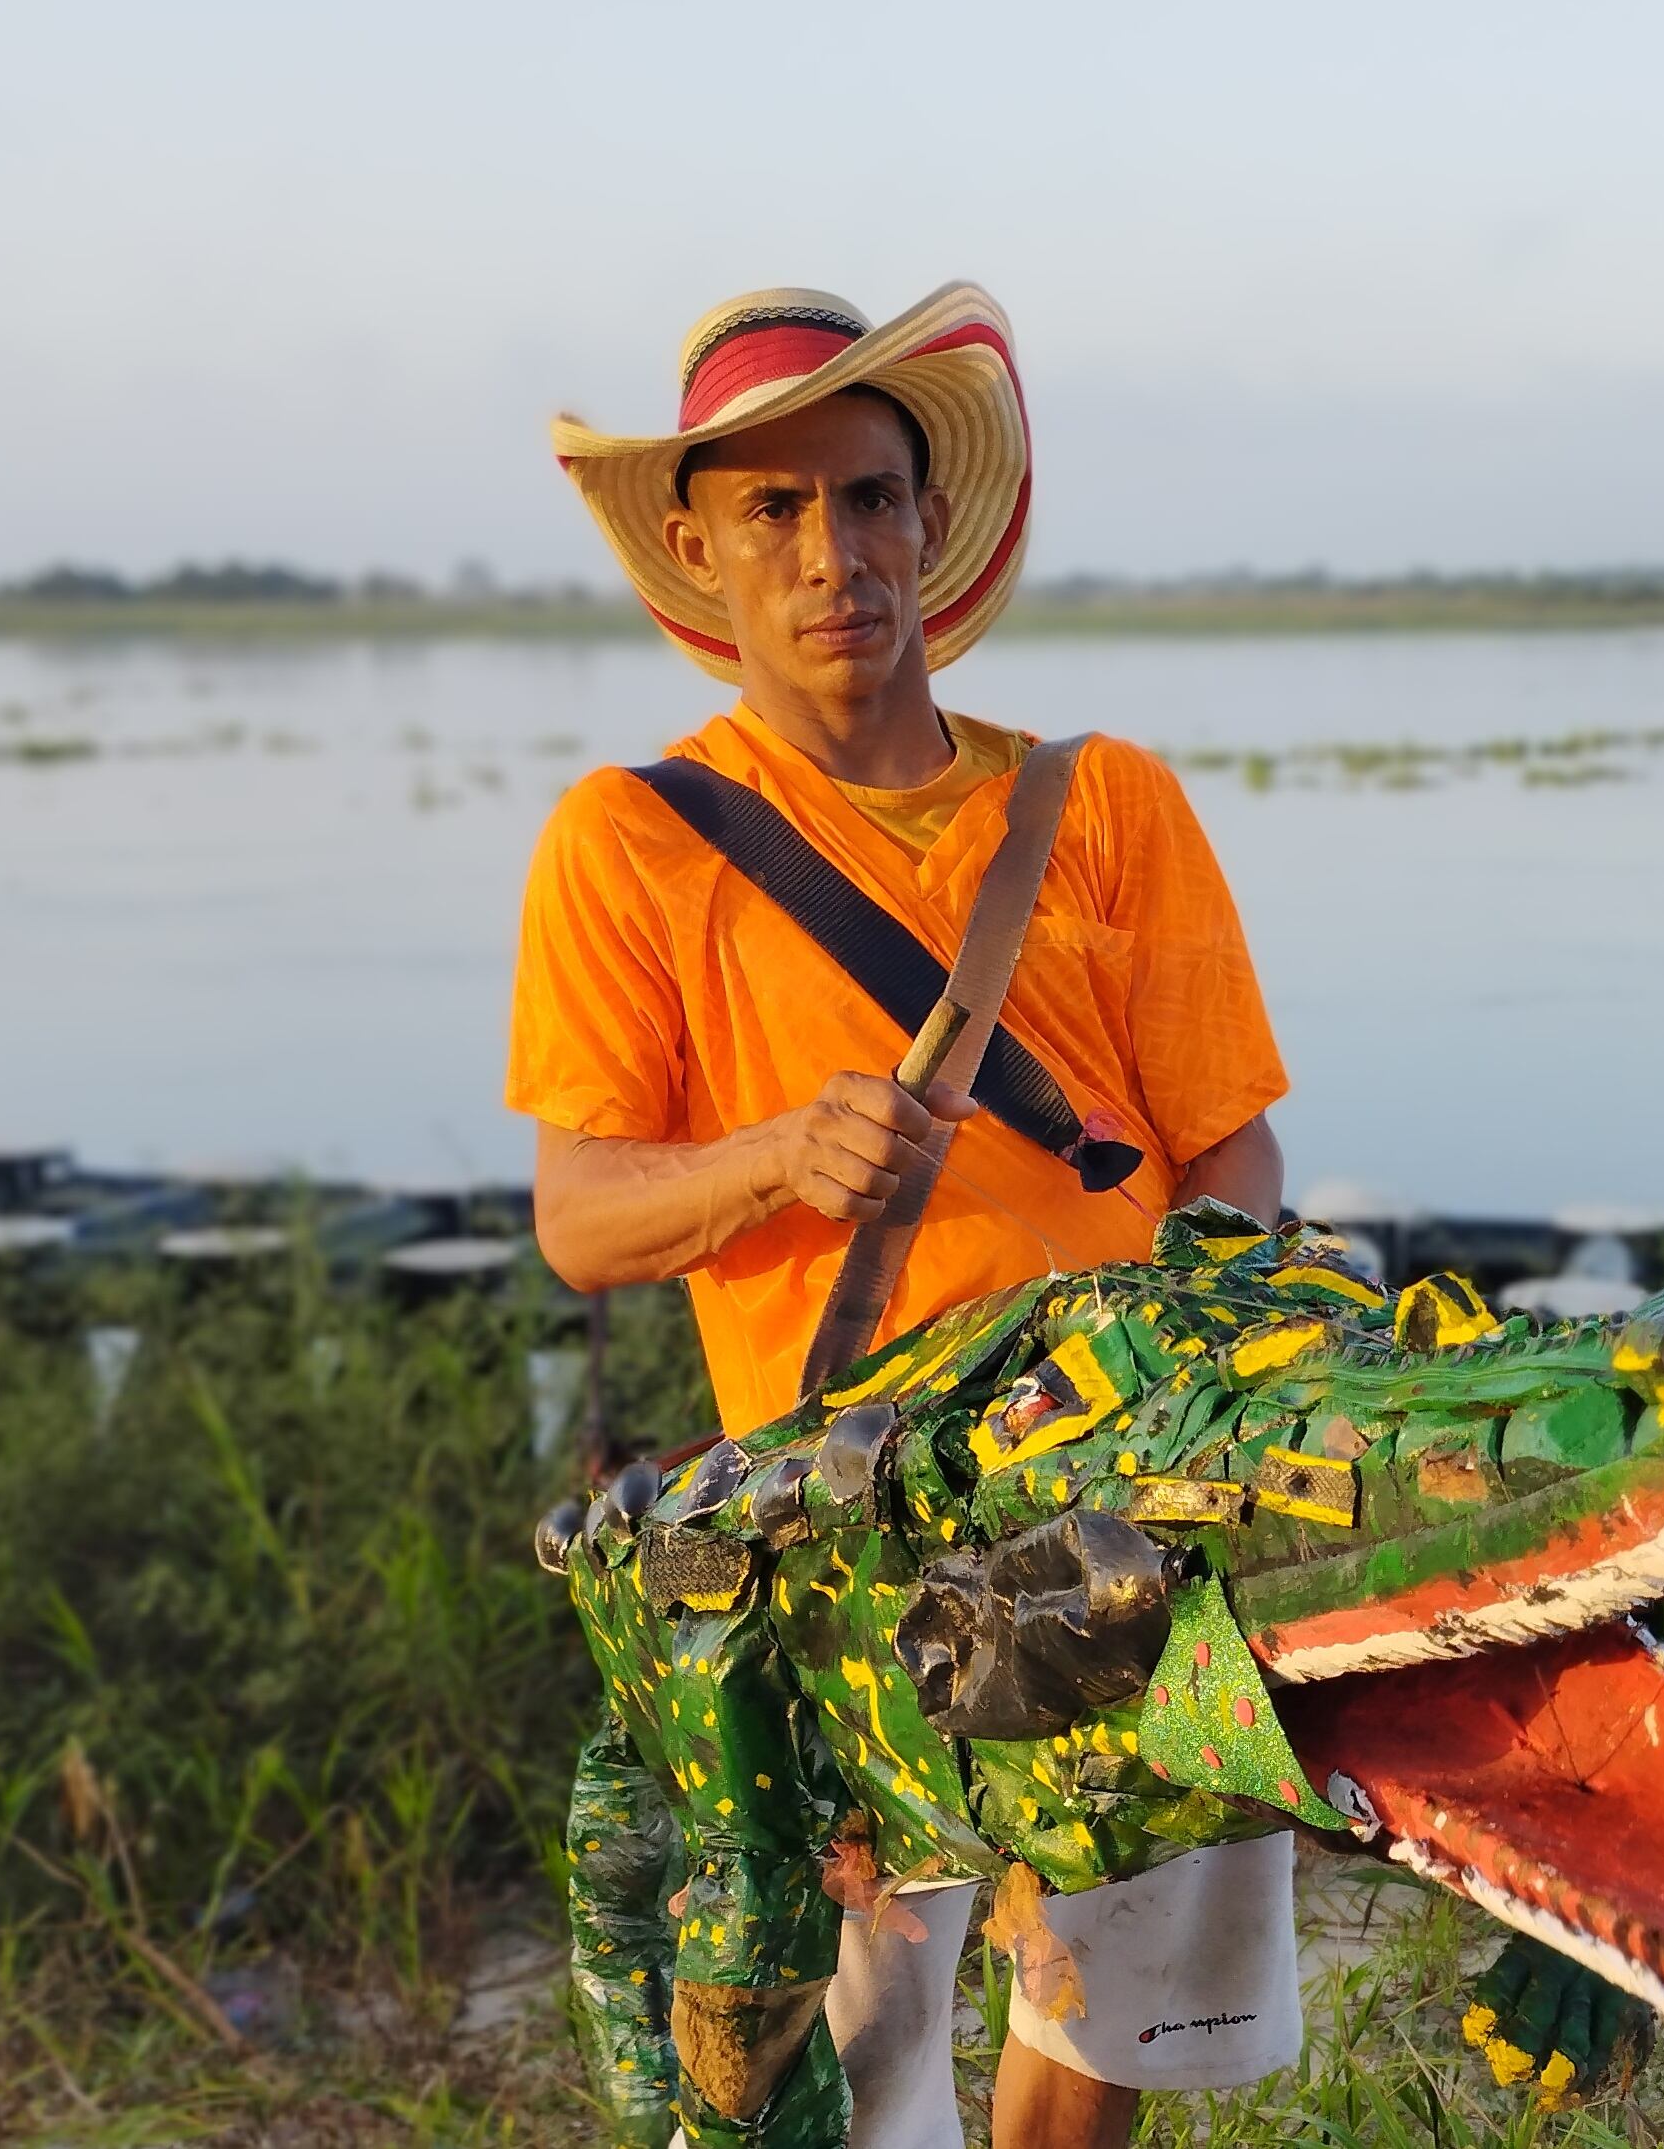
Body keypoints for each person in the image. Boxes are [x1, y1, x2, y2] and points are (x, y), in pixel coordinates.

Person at [509, 283, 1298, 2149]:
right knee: (861, 2070)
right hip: (829, 1536)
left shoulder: (1102, 808)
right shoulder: (627, 842)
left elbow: (1233, 1160)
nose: (831, 553)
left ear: (929, 521)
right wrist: (775, 1160)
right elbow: (583, 1223)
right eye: (771, 510)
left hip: (1119, 1500)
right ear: (697, 549)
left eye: (867, 497)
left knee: (1114, 2014)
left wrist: (1225, 1354)